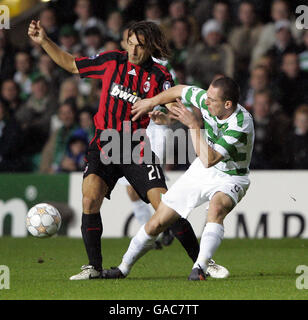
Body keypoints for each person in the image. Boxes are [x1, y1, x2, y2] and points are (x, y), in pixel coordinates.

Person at [28, 19, 214, 280]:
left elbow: (172, 110)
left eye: (140, 46)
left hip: (135, 145)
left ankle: (202, 262)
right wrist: (44, 41)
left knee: (167, 207)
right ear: (125, 42)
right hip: (104, 142)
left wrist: (165, 117)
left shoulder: (161, 76)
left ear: (151, 47)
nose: (134, 51)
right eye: (131, 44)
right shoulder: (111, 61)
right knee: (90, 197)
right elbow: (72, 64)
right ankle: (94, 267)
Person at [102, 76, 254, 280]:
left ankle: (199, 268)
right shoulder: (209, 101)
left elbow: (210, 159)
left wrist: (193, 124)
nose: (206, 102)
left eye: (212, 100)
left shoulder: (241, 123)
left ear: (228, 104)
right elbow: (179, 90)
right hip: (201, 170)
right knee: (158, 222)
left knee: (217, 207)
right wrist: (153, 103)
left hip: (231, 177)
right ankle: (123, 268)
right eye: (206, 97)